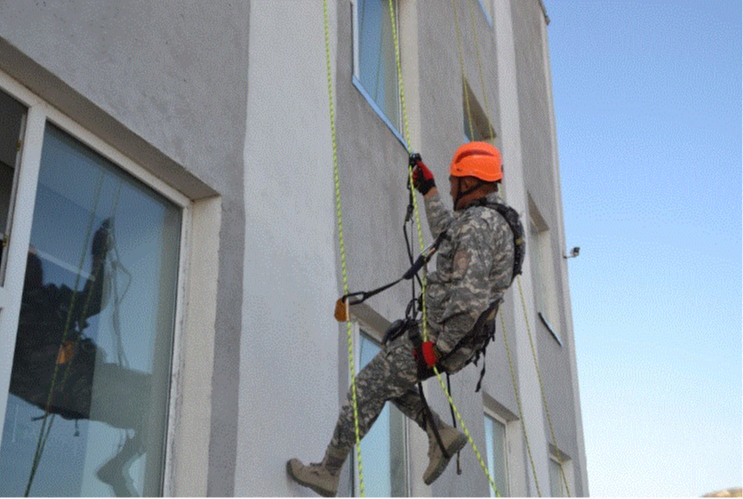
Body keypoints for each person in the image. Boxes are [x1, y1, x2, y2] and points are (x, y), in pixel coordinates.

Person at [287, 142, 519, 496]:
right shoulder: (484, 221)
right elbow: (448, 233)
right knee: (388, 372)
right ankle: (439, 431)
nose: (452, 185)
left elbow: (469, 301)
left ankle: (328, 471)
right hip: (448, 336)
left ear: (471, 182)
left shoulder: (479, 225)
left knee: (365, 388)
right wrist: (429, 191)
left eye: (454, 180)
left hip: (444, 338)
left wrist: (437, 348)